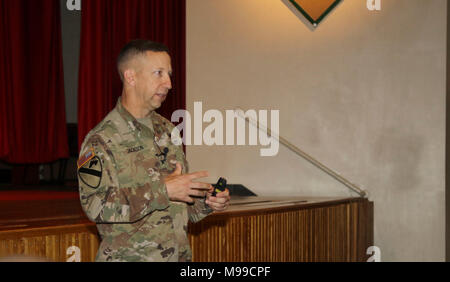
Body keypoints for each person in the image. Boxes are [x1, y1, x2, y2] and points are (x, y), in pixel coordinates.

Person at [77, 39, 230, 262]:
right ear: (131, 77)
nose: (168, 83)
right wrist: (162, 190)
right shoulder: (101, 139)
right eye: (158, 73)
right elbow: (94, 206)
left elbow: (182, 208)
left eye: (169, 74)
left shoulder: (167, 130)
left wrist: (207, 202)